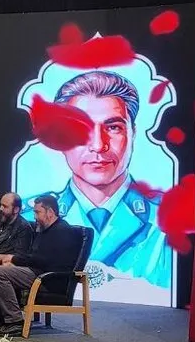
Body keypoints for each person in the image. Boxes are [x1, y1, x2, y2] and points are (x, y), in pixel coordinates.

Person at [30, 71, 170, 287]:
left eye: (113, 127)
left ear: (133, 133)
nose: (98, 145)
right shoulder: (30, 217)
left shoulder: (168, 219)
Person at [0, 195, 82, 335]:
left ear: (50, 212)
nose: (34, 217)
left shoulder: (62, 231)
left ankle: (15, 321)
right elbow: (33, 256)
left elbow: (45, 261)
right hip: (35, 272)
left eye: (37, 212)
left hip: (48, 278)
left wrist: (13, 260)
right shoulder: (44, 230)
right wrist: (14, 264)